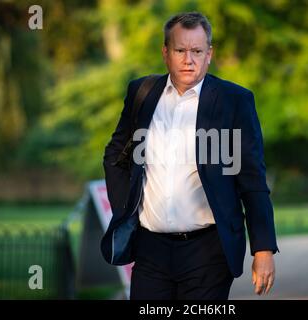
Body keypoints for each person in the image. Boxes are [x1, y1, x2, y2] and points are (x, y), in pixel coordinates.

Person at [101, 12, 279, 300]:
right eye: (180, 50)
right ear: (166, 53)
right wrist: (126, 205)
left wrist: (263, 248)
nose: (189, 59)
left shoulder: (234, 101)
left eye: (197, 51)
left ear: (209, 54)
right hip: (150, 251)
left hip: (208, 251)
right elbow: (115, 155)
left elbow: (252, 179)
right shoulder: (141, 93)